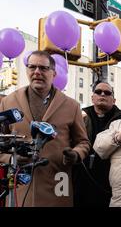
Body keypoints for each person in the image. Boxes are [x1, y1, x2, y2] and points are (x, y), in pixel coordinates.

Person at [0, 50, 90, 207]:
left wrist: (75, 154)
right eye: (32, 67)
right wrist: (11, 159)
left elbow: (83, 143)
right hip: (20, 186)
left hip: (58, 183)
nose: (37, 72)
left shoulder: (72, 106)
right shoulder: (8, 102)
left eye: (43, 68)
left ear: (54, 73)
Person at [72, 81, 121, 207]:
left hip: (109, 181)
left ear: (113, 100)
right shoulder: (80, 117)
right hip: (82, 179)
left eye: (107, 93)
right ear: (92, 97)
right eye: (98, 92)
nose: (102, 94)